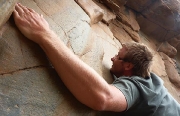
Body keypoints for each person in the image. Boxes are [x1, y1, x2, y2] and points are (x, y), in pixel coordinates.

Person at [13, 3, 180, 116]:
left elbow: (102, 98)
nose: (113, 58)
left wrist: (45, 35)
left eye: (119, 57)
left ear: (129, 66)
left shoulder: (137, 88)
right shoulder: (153, 85)